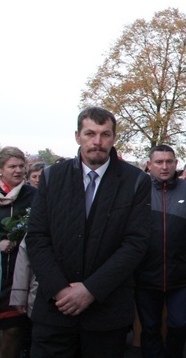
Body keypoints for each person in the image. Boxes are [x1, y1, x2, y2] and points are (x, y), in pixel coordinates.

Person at [26, 107, 152, 357]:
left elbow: (135, 243)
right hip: (55, 311)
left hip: (106, 313)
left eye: (105, 134)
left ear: (114, 138)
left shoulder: (135, 181)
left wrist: (91, 290)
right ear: (77, 136)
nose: (97, 141)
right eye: (90, 133)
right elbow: (38, 237)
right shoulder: (53, 177)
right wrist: (61, 290)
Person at [135, 145, 186, 358]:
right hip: (145, 275)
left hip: (181, 275)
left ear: (176, 164)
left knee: (179, 324)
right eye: (159, 162)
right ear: (149, 165)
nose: (164, 166)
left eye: (169, 161)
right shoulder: (137, 190)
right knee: (150, 327)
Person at [0, 146, 36, 358]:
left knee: (13, 330)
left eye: (22, 166)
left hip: (18, 276)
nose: (18, 170)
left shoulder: (34, 196)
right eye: (12, 166)